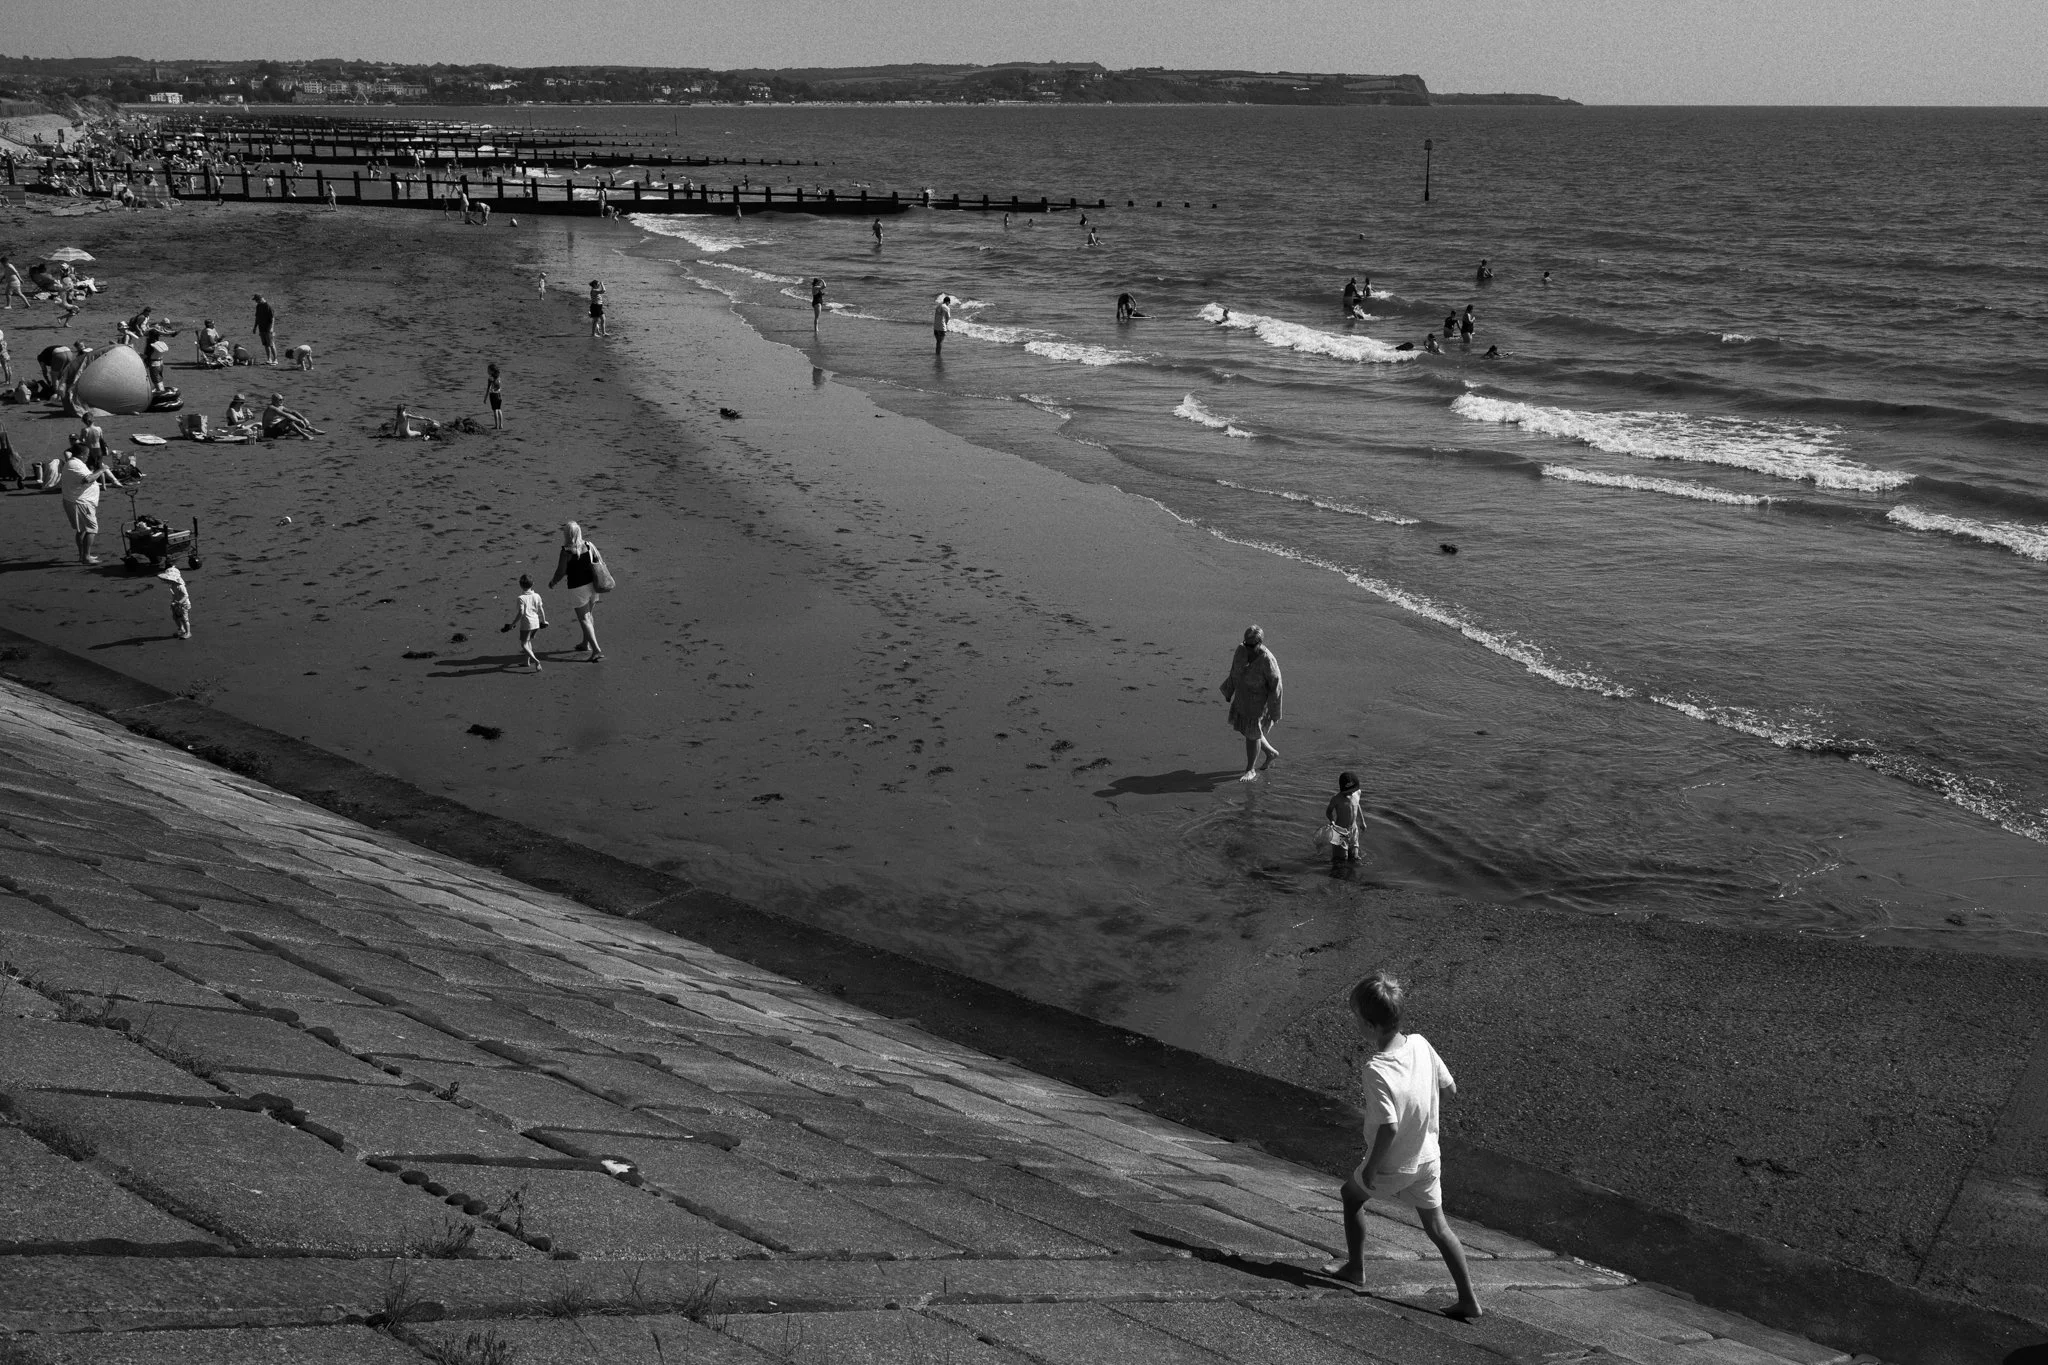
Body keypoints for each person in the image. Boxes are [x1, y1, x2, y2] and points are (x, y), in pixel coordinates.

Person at [1324, 974, 1481, 1322]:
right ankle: (1468, 1299)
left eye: (1356, 1019)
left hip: (1393, 1165)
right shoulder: (1422, 1045)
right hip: (1427, 1158)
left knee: (1351, 1196)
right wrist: (1421, 1109)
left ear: (1368, 1024)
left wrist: (1371, 1168)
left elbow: (1389, 1126)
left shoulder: (1376, 1069)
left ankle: (1355, 1268)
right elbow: (1449, 1089)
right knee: (1439, 1228)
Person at [1220, 624, 1283, 781]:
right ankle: (1270, 753)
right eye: (1246, 644)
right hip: (1242, 697)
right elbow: (1234, 671)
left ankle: (1250, 770)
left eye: (1251, 645)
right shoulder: (1241, 650)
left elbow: (1276, 686)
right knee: (1247, 730)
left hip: (1259, 702)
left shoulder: (1268, 661)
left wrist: (1275, 711)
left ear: (1259, 643)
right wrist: (1229, 691)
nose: (1247, 648)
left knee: (1252, 734)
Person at [48, 440, 120, 564]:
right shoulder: (75, 465)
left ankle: (82, 556)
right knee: (91, 529)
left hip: (76, 500)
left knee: (81, 529)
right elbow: (87, 479)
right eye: (86, 455)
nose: (87, 458)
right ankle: (86, 556)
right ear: (81, 454)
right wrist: (102, 470)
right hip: (80, 503)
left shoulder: (74, 463)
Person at [547, 520, 606, 660]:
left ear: (567, 534)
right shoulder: (588, 545)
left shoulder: (566, 551)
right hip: (593, 585)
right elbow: (599, 561)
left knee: (584, 618)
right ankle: (586, 643)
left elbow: (561, 571)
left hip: (578, 588)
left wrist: (553, 582)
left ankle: (596, 650)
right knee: (589, 615)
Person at [502, 573, 546, 671]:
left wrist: (513, 624)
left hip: (527, 624)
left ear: (520, 585)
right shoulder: (537, 596)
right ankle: (527, 662)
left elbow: (521, 612)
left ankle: (536, 661)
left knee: (524, 644)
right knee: (528, 641)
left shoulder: (521, 598)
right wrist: (544, 620)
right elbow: (541, 609)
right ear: (533, 583)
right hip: (536, 623)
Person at [1325, 772, 1363, 872]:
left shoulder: (1357, 793)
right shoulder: (1336, 799)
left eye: (1353, 790)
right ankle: (1336, 875)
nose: (1351, 793)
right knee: (1341, 859)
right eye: (1348, 791)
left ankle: (1351, 877)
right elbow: (1328, 812)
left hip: (1353, 830)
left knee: (1354, 856)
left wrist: (1363, 821)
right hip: (1340, 831)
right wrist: (1332, 821)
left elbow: (1357, 805)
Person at [156, 562, 192, 639]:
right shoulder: (172, 585)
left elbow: (186, 595)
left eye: (167, 579)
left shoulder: (180, 586)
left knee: (184, 619)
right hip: (176, 604)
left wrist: (179, 602)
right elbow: (174, 595)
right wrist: (174, 603)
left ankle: (188, 632)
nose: (166, 581)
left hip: (184, 605)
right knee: (176, 617)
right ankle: (181, 629)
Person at [252, 293, 278, 366]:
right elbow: (257, 317)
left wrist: (272, 328)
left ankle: (275, 359)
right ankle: (269, 359)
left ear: (261, 298)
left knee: (271, 344)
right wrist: (255, 327)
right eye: (255, 300)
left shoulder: (268, 306)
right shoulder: (258, 306)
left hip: (268, 328)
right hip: (261, 328)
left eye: (257, 300)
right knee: (266, 345)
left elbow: (272, 318)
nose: (256, 301)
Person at [486, 363, 504, 430]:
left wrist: (485, 398)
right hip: (499, 395)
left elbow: (488, 389)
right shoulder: (499, 378)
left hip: (493, 395)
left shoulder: (490, 378)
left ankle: (496, 426)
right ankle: (501, 425)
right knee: (499, 410)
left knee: (495, 410)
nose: (487, 371)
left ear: (492, 371)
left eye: (488, 370)